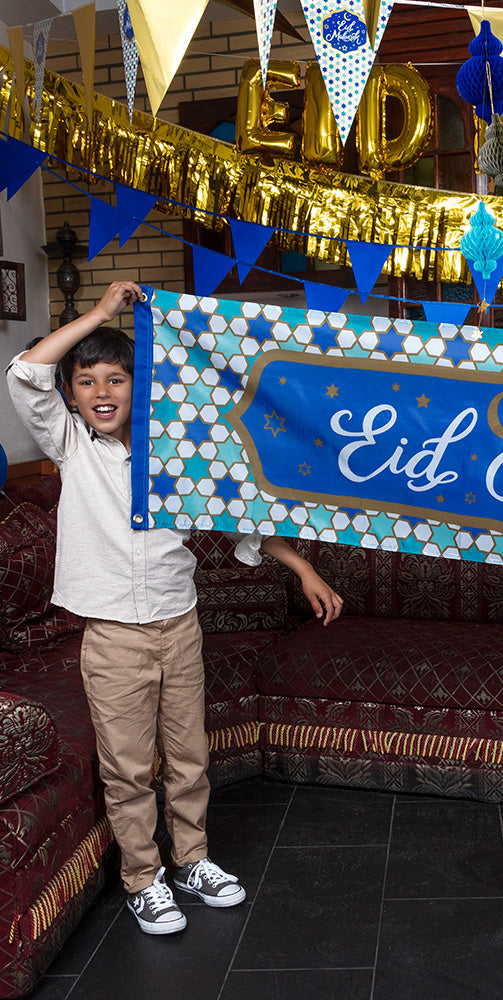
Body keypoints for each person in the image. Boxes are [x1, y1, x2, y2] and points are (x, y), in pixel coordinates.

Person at [6, 280, 345, 936]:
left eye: (116, 379)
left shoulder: (178, 455)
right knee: (128, 768)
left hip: (179, 626)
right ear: (70, 395)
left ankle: (193, 860)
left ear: (142, 387)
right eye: (86, 382)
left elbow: (243, 517)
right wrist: (101, 315)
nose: (102, 392)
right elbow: (24, 371)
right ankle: (143, 878)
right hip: (113, 637)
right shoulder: (71, 446)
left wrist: (303, 568)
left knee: (189, 758)